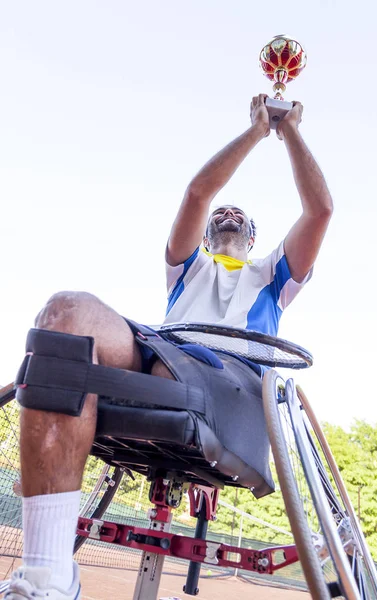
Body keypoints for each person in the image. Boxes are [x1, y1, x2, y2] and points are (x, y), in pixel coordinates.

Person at [3, 94, 332, 600]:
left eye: (237, 213)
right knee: (65, 317)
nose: (226, 213)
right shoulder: (187, 269)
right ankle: (47, 578)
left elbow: (320, 209)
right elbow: (199, 191)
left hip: (232, 379)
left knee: (163, 383)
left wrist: (287, 132)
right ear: (205, 235)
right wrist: (254, 130)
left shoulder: (272, 276)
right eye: (219, 213)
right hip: (167, 353)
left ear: (251, 236)